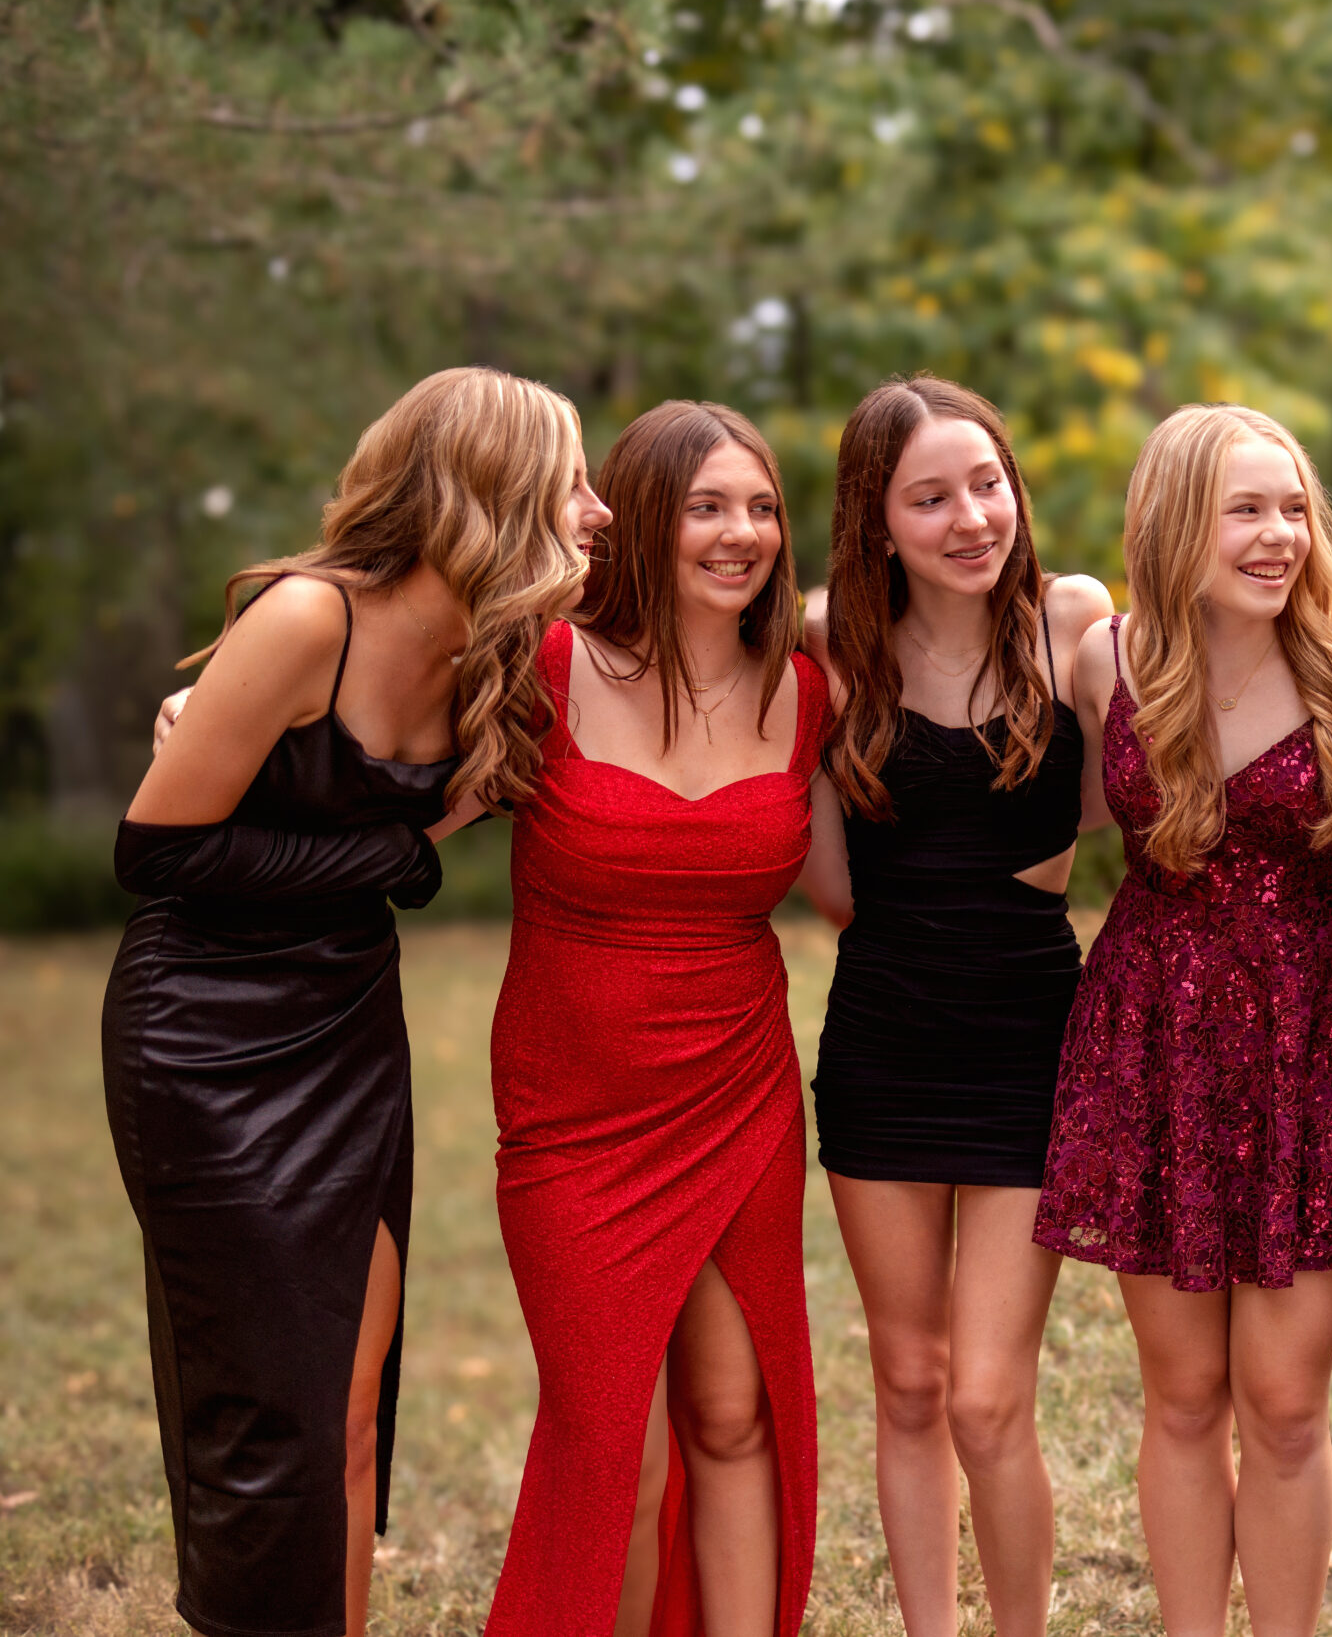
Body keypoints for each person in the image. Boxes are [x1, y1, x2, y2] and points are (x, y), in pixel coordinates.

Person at [105, 365, 607, 1637]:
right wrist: (403, 856)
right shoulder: (306, 622)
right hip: (209, 1039)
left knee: (346, 1397)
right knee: (263, 1413)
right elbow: (157, 853)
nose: (595, 512)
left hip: (345, 1026)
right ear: (487, 490)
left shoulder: (491, 644)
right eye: (572, 482)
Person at [1033, 403, 1332, 1637]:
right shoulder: (1108, 655)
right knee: (1185, 1396)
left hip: (1307, 1042)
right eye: (1243, 510)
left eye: (1293, 508)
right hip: (1151, 1035)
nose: (1277, 536)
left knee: (1286, 1403)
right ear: (1172, 522)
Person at [481, 400, 824, 1637]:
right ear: (636, 521)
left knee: (734, 1416)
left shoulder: (805, 689)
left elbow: (857, 887)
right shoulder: (545, 669)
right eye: (706, 507)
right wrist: (224, 727)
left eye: (763, 508)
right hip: (575, 1111)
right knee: (606, 1440)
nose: (742, 534)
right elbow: (387, 778)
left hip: (738, 1092)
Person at [795, 376, 1112, 1637]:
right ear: (876, 524)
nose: (972, 517)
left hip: (1035, 1040)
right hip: (882, 1041)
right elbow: (826, 885)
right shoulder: (827, 642)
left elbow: (1128, 784)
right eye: (929, 498)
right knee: (909, 1379)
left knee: (988, 1397)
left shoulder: (1074, 622)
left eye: (987, 484)